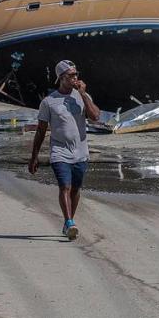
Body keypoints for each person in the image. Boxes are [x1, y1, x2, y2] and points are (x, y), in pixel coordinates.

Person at [29, 60, 100, 240]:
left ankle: (68, 222)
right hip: (59, 151)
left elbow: (95, 117)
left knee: (75, 189)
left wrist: (83, 94)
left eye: (76, 74)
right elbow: (41, 130)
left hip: (81, 152)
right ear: (61, 78)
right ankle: (69, 223)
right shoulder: (49, 102)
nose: (75, 78)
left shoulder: (82, 96)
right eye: (70, 75)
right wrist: (34, 156)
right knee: (65, 187)